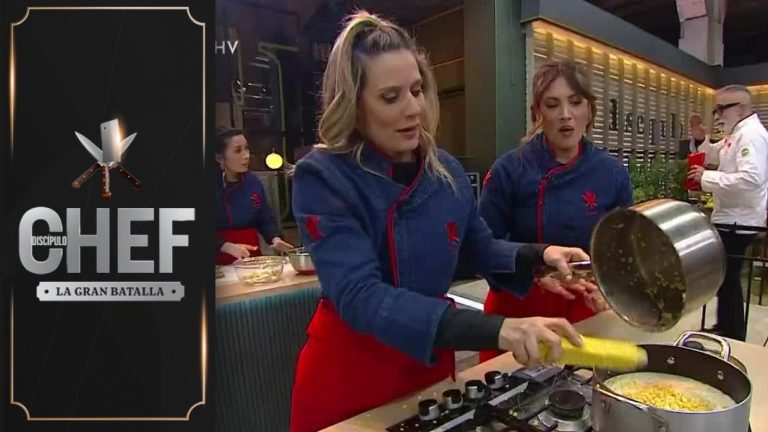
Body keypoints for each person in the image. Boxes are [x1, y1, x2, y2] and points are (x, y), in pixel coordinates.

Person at [289, 12, 596, 432]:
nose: (414, 108)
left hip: (427, 369)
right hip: (350, 375)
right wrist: (499, 330)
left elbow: (482, 248)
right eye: (391, 97)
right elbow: (360, 296)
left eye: (417, 90)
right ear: (354, 104)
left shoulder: (444, 171)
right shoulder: (324, 175)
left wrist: (540, 256)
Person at [477, 60, 633, 363]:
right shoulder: (509, 169)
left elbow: (620, 252)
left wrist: (609, 293)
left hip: (583, 309)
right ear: (537, 113)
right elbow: (481, 248)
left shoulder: (612, 173)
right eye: (552, 105)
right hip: (518, 310)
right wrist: (534, 272)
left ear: (590, 110)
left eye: (575, 102)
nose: (565, 115)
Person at [688, 85, 768, 341]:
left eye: (723, 109)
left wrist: (707, 177)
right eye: (716, 109)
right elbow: (716, 151)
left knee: (729, 277)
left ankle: (733, 332)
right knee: (725, 277)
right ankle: (726, 326)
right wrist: (701, 138)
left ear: (742, 109)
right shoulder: (737, 133)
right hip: (730, 216)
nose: (718, 115)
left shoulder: (751, 136)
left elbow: (751, 178)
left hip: (739, 220)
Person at [214, 127, 294, 264]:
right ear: (220, 158)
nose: (246, 155)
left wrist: (275, 238)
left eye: (247, 149)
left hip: (250, 258)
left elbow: (265, 218)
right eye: (238, 151)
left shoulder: (253, 182)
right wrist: (225, 246)